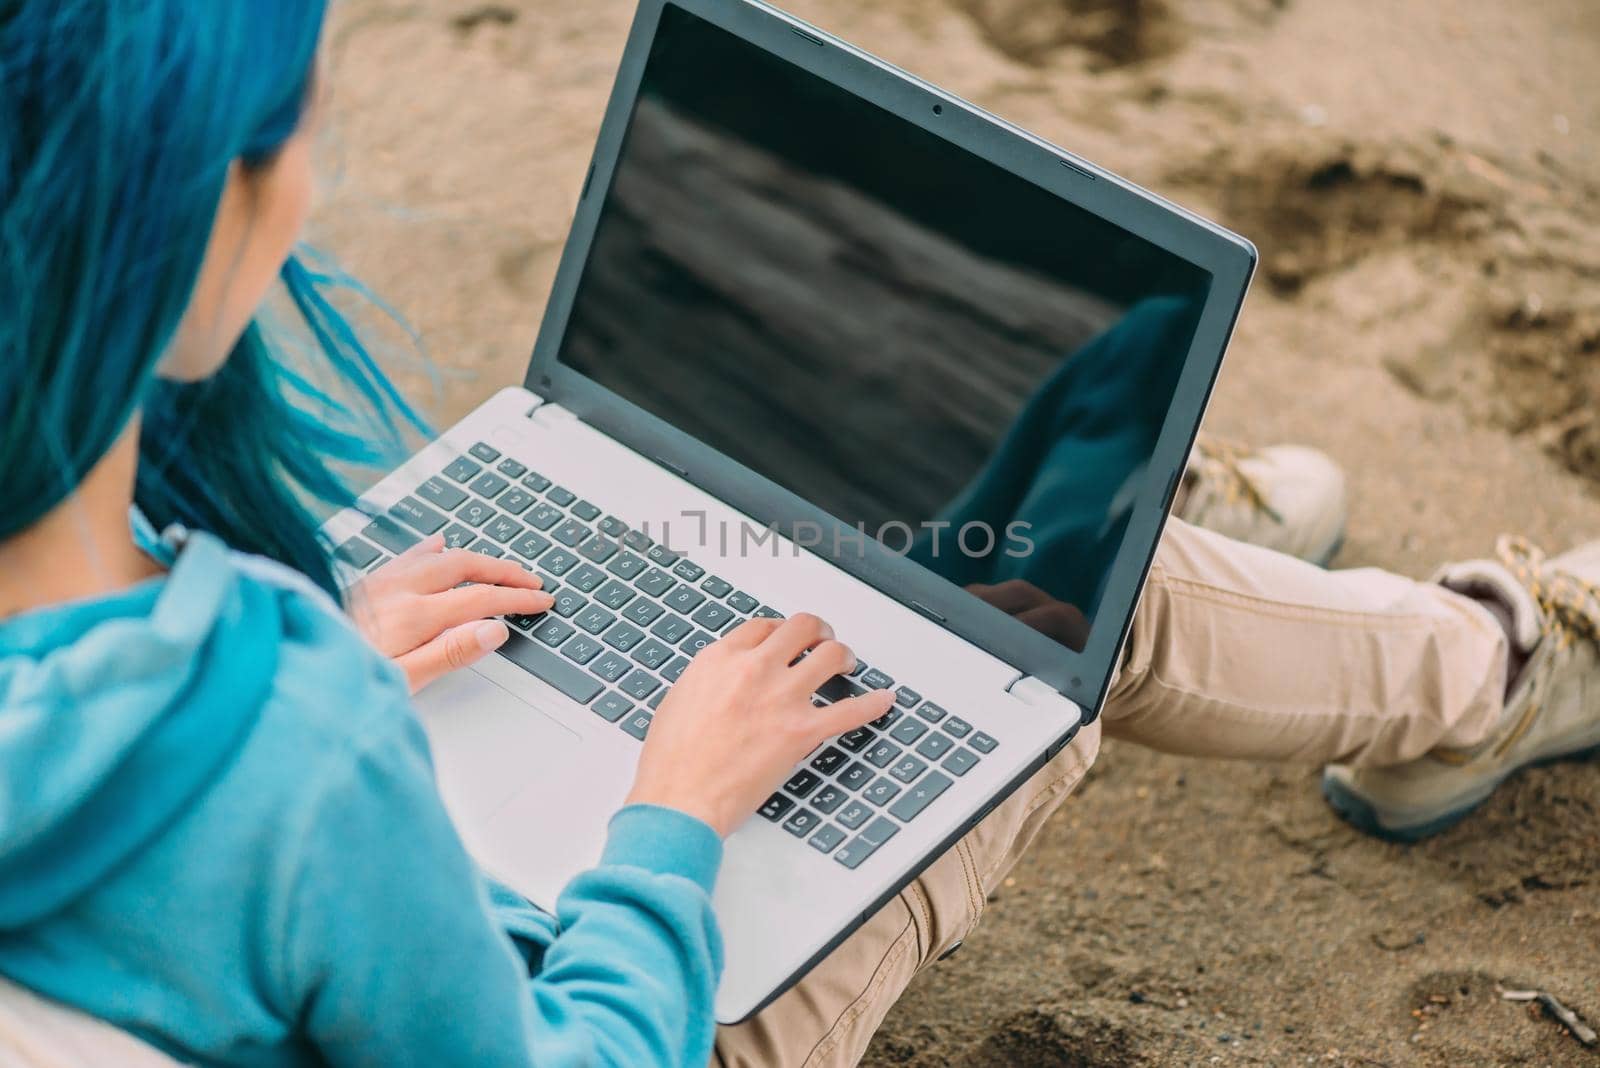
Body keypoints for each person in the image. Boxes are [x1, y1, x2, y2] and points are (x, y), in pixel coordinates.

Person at [2, 4, 1596, 1067]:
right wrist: (674, 814)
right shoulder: (294, 750)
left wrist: (312, 670)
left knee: (974, 574)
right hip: (635, 1009)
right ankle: (1492, 673)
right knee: (1055, 621)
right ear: (212, 216)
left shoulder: (224, 699)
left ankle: (1102, 513)